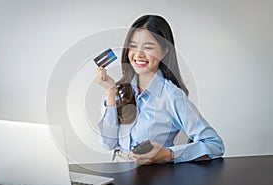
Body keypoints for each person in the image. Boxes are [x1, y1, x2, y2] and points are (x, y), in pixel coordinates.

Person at [95, 15, 224, 164]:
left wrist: (169, 154)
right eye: (133, 46)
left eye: (148, 47)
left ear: (164, 51)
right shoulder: (120, 91)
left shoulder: (171, 96)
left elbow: (215, 145)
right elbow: (108, 143)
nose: (138, 54)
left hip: (155, 179)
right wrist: (110, 91)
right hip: (120, 176)